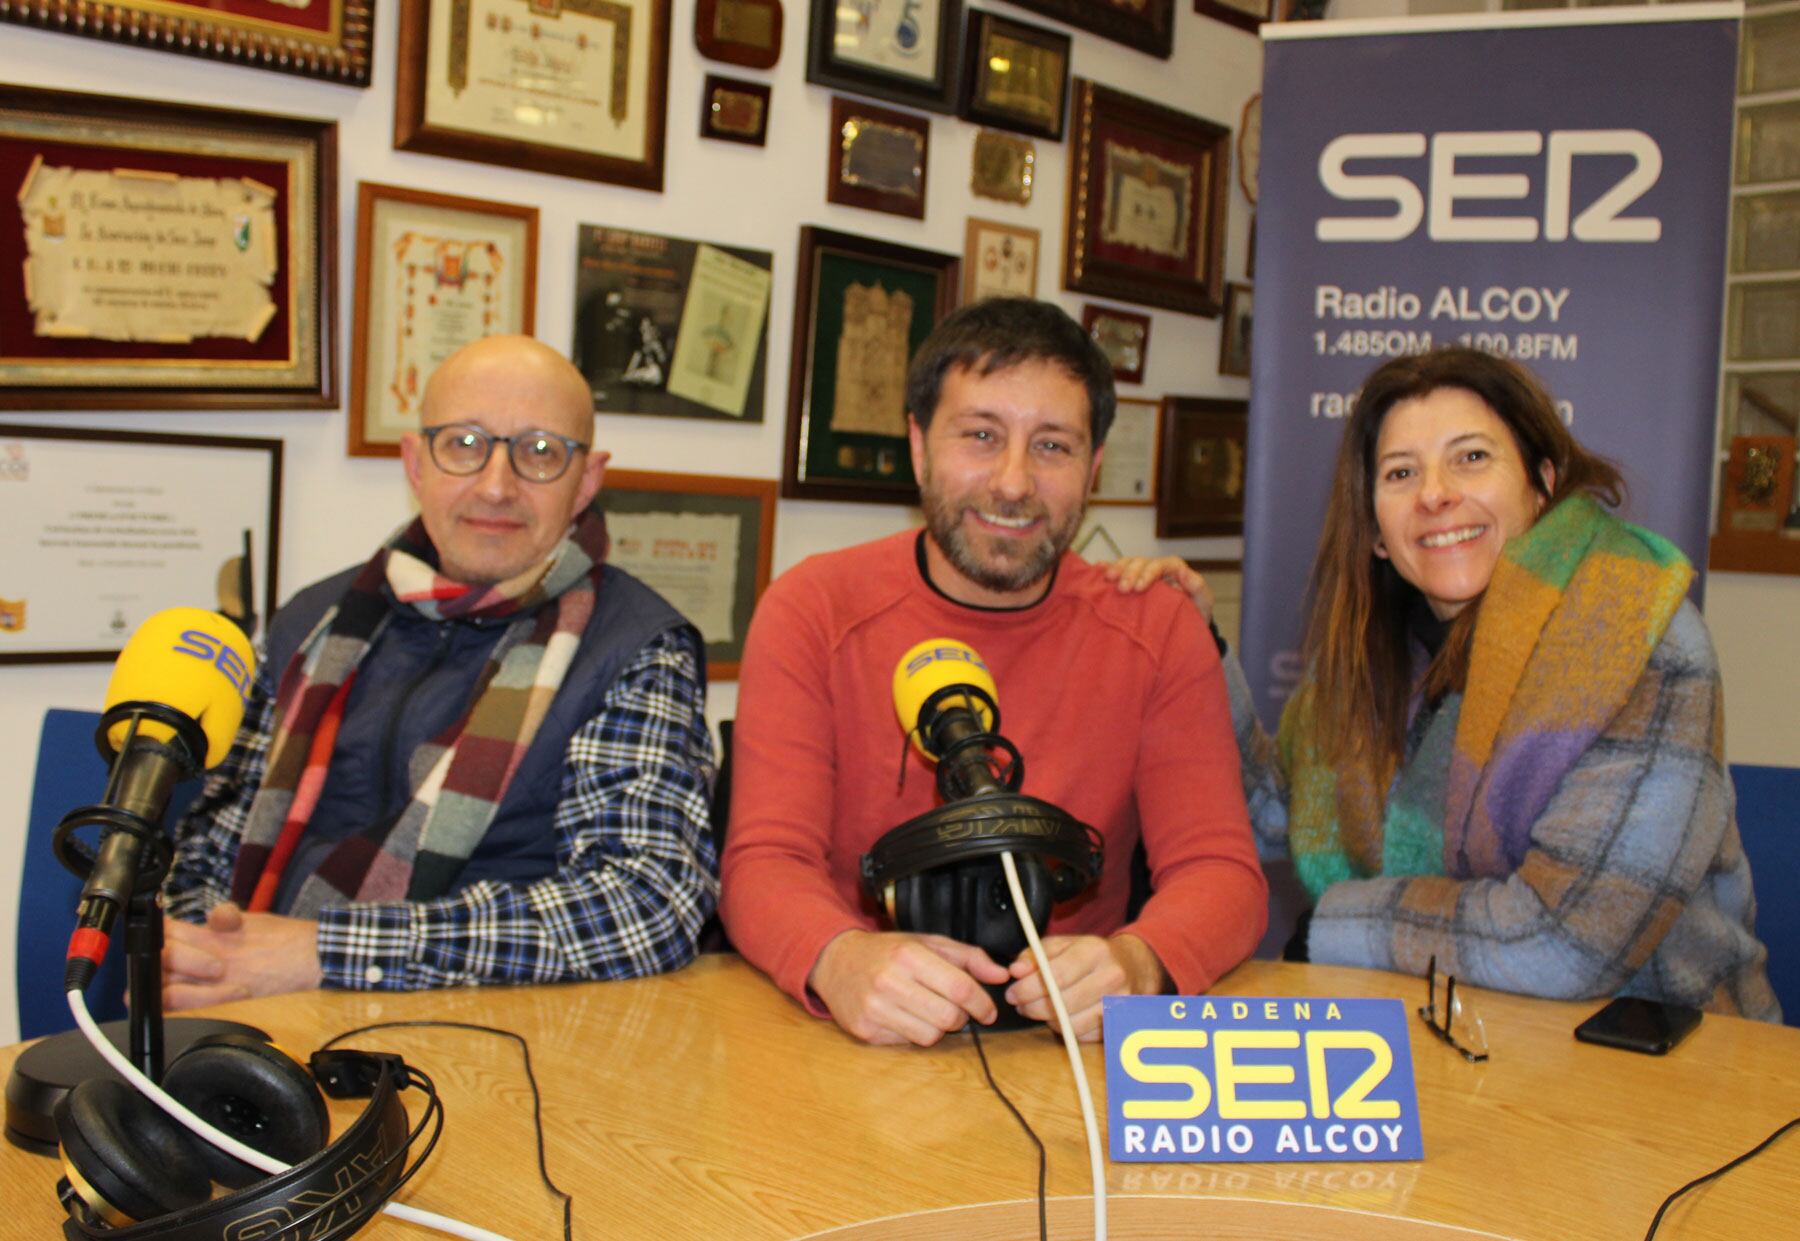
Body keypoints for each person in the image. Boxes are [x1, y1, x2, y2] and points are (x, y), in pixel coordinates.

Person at [1111, 347, 1780, 1020]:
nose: (1435, 494)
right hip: (1450, 1037)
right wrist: (1198, 650)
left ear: (1542, 484)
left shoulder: (1639, 637)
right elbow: (1266, 816)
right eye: (1402, 472)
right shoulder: (1370, 664)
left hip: (1667, 1065)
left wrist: (1333, 925)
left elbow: (1567, 940)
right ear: (1375, 528)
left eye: (1471, 458)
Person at [720, 298, 1268, 1046]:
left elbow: (1223, 873)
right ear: (918, 446)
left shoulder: (1157, 627)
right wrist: (837, 958)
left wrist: (1137, 965)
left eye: (1053, 446)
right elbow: (763, 862)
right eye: (981, 435)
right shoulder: (811, 608)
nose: (1013, 482)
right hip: (858, 1040)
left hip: (1066, 1053)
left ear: (1094, 467)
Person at [160, 336, 718, 1008]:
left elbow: (645, 907)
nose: (496, 485)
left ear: (587, 480)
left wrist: (322, 951)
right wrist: (197, 952)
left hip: (497, 1045)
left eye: (540, 452)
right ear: (415, 461)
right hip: (260, 1016)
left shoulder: (637, 645)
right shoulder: (308, 621)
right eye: (463, 444)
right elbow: (206, 843)